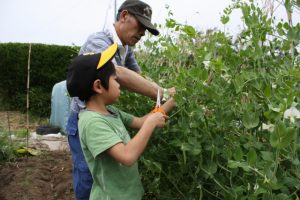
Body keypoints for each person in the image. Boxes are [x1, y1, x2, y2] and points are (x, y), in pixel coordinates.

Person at [66, 0, 176, 199]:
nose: (142, 33)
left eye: (146, 29)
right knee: (89, 179)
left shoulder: (125, 49)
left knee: (107, 176)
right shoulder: (99, 40)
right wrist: (162, 93)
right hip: (85, 118)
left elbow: (139, 78)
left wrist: (169, 102)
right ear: (124, 16)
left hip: (106, 117)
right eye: (140, 25)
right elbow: (119, 72)